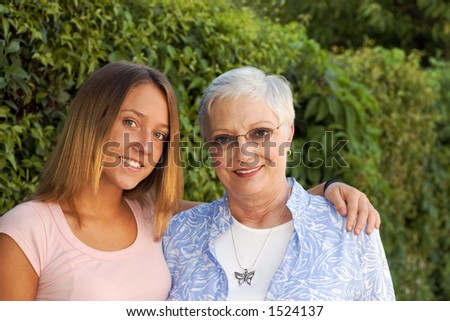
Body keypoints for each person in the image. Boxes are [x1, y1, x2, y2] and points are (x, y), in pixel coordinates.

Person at [0, 61, 381, 301]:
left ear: (289, 132)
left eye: (160, 135)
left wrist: (325, 194)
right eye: (130, 122)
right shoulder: (28, 229)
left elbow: (255, 212)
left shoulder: (156, 218)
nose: (144, 146)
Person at [163, 66, 396, 300]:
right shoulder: (179, 234)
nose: (244, 153)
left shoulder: (348, 231)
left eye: (260, 133)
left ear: (288, 133)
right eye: (223, 139)